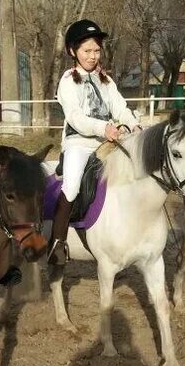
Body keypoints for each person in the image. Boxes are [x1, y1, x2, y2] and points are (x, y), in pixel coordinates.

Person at [49, 19, 139, 270]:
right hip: (79, 143)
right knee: (72, 185)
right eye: (87, 51)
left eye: (96, 50)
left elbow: (120, 106)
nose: (92, 56)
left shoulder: (106, 81)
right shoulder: (68, 81)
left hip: (106, 142)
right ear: (72, 51)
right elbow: (75, 117)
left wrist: (134, 126)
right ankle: (57, 243)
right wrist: (102, 128)